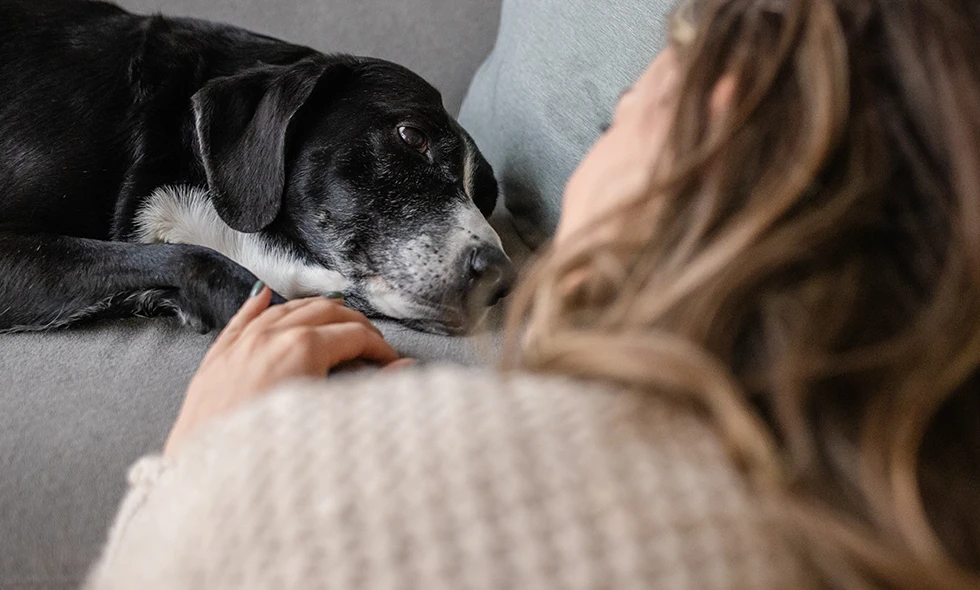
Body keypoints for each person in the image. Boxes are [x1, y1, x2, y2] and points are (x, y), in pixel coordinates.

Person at [85, 0, 980, 588]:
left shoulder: (331, 480)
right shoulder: (925, 525)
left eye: (628, 109)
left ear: (714, 119)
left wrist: (197, 463)